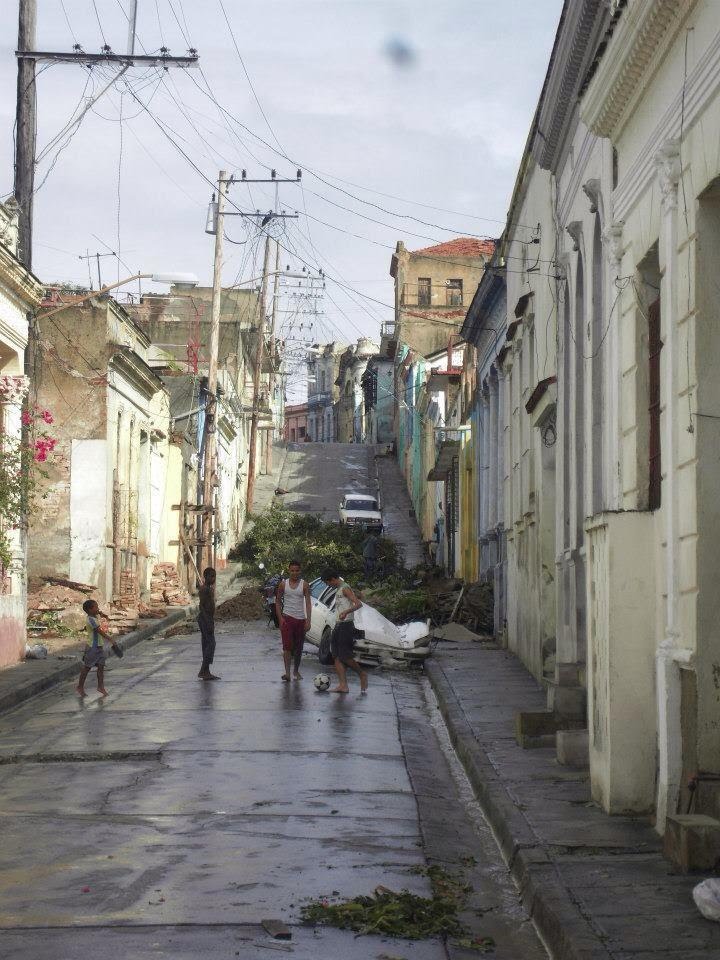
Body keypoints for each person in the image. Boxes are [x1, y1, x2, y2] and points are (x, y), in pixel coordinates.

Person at [321, 568, 368, 694]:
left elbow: (358, 604)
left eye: (328, 583)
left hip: (346, 625)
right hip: (338, 624)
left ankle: (362, 674)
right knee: (336, 656)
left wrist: (346, 612)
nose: (328, 585)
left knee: (345, 656)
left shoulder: (345, 588)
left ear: (332, 579)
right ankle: (343, 685)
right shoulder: (338, 590)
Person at [275, 560, 311, 681]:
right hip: (287, 619)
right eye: (292, 570)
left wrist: (308, 621)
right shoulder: (283, 584)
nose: (294, 573)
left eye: (297, 570)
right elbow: (278, 601)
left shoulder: (304, 585)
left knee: (299, 648)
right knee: (287, 647)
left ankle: (296, 670)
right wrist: (280, 619)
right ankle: (287, 673)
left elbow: (308, 604)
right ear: (288, 571)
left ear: (300, 571)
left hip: (300, 620)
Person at [76, 599, 120, 697]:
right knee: (87, 667)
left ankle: (100, 686)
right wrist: (110, 639)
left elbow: (98, 618)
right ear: (89, 610)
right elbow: (99, 631)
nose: (98, 609)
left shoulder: (94, 617)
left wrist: (101, 613)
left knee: (101, 667)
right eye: (95, 607)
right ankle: (80, 686)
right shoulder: (91, 619)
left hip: (99, 646)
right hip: (92, 647)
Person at [198, 567, 219, 681]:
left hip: (208, 619)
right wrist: (208, 621)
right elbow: (201, 607)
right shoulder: (205, 589)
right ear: (205, 577)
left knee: (207, 644)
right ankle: (203, 670)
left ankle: (206, 671)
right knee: (211, 644)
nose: (213, 578)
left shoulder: (209, 589)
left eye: (214, 576)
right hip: (205, 619)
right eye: (211, 576)